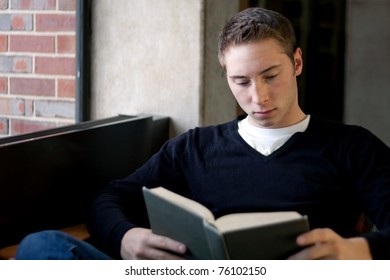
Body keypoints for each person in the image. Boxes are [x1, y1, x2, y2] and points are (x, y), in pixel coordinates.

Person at [16, 7, 390, 260]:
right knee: (42, 246)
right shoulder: (195, 147)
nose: (257, 96)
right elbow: (110, 199)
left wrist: (357, 249)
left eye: (270, 76)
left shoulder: (351, 146)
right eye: (240, 81)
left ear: (296, 62)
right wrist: (125, 238)